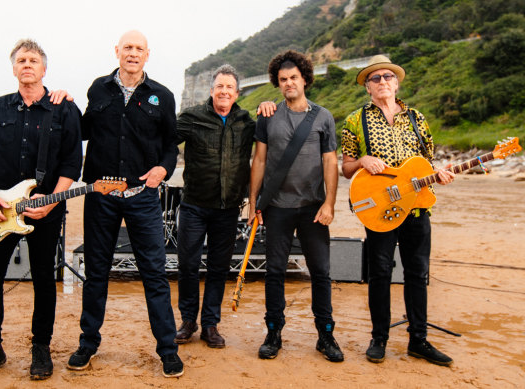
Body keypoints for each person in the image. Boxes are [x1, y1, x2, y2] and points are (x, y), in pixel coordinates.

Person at [0, 39, 82, 383]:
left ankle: (41, 348)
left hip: (46, 209)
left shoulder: (64, 109)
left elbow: (73, 162)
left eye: (34, 60)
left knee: (44, 279)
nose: (27, 64)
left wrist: (53, 200)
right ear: (14, 69)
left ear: (44, 69)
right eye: (21, 60)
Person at [66, 30, 183, 378]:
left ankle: (167, 349)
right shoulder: (98, 88)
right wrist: (63, 103)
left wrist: (163, 168)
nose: (132, 53)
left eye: (139, 49)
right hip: (101, 197)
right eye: (127, 48)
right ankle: (88, 343)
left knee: (155, 275)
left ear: (147, 55)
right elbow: (82, 129)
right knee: (96, 273)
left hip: (142, 198)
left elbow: (170, 146)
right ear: (117, 52)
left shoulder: (161, 96)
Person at [341, 55, 455, 366]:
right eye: (375, 78)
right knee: (379, 274)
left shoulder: (418, 118)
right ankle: (379, 338)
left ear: (397, 82)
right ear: (367, 86)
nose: (382, 82)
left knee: (418, 274)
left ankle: (418, 340)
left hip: (416, 209)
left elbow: (426, 164)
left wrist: (439, 175)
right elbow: (346, 166)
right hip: (380, 211)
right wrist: (363, 161)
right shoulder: (355, 120)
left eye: (387, 77)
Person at [248, 50, 343, 362]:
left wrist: (329, 203)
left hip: (313, 206)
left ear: (305, 80)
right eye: (283, 79)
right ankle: (273, 331)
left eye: (293, 78)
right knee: (274, 271)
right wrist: (253, 203)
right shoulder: (268, 115)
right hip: (276, 207)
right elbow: (259, 160)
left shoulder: (324, 117)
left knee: (321, 271)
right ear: (278, 83)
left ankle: (325, 334)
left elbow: (330, 162)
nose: (289, 83)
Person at [174, 64, 256, 348]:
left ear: (237, 92)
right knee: (188, 265)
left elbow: (267, 149)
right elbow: (164, 140)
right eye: (219, 86)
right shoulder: (192, 117)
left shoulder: (247, 122)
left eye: (229, 87)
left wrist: (270, 106)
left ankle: (210, 325)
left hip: (228, 208)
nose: (224, 91)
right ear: (212, 90)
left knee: (219, 268)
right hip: (194, 205)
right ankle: (187, 320)